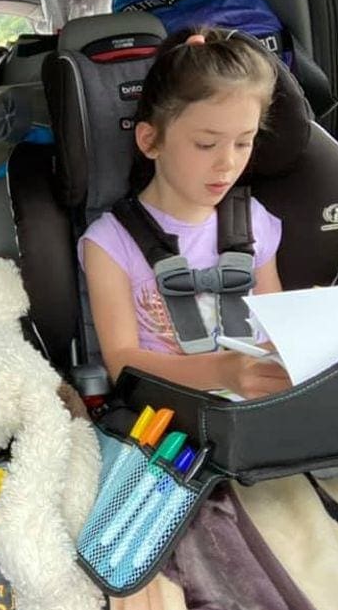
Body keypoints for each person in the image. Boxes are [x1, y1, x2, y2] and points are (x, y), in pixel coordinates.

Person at [79, 27, 291, 398]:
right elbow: (123, 364)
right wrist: (221, 372)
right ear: (151, 140)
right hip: (173, 423)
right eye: (206, 144)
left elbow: (276, 327)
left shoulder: (254, 220)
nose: (227, 162)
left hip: (262, 413)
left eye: (244, 142)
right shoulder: (110, 244)